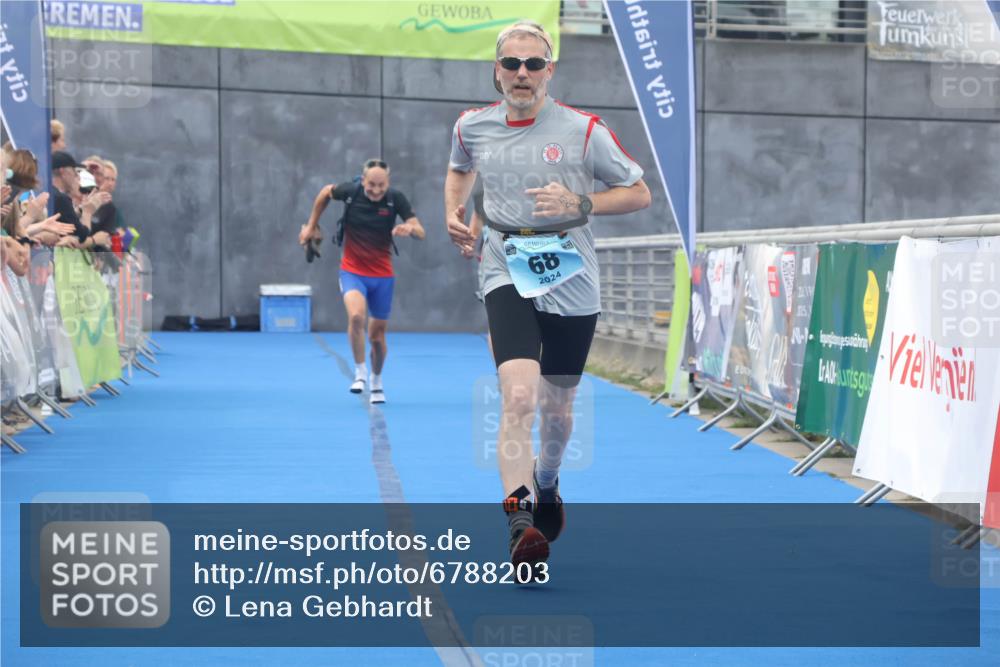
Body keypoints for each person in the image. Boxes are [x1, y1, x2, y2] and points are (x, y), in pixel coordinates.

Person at [444, 21, 651, 571]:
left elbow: (638, 192)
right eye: (512, 64)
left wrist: (580, 205)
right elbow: (460, 169)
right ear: (496, 69)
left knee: (558, 415)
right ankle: (518, 522)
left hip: (570, 273)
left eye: (534, 64)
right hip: (504, 265)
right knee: (517, 399)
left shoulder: (584, 131)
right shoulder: (472, 127)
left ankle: (548, 482)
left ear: (549, 70)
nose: (521, 74)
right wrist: (453, 214)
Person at [299, 159, 425, 404]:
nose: (376, 190)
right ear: (363, 180)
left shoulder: (395, 199)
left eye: (381, 185)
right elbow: (326, 192)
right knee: (356, 317)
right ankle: (360, 373)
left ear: (388, 183)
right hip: (353, 271)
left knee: (377, 337)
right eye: (371, 185)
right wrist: (311, 226)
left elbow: (421, 230)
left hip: (382, 277)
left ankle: (377, 381)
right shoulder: (351, 192)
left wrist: (410, 229)